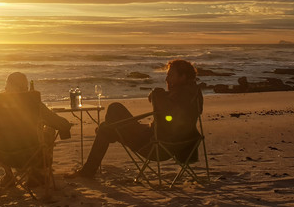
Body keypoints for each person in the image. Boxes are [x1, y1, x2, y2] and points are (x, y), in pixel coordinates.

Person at [70, 59, 203, 179]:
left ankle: (88, 170)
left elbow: (168, 115)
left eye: (170, 75)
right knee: (108, 124)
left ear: (183, 77)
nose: (166, 79)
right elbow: (173, 117)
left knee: (112, 112)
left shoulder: (175, 98)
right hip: (179, 144)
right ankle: (106, 133)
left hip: (155, 146)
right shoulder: (194, 94)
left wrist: (157, 94)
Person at [0, 72, 72, 187]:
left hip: (0, 152)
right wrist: (66, 125)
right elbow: (56, 122)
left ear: (7, 86)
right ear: (24, 87)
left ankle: (9, 175)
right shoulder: (32, 102)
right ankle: (38, 173)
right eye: (26, 86)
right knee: (49, 130)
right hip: (30, 152)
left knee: (0, 137)